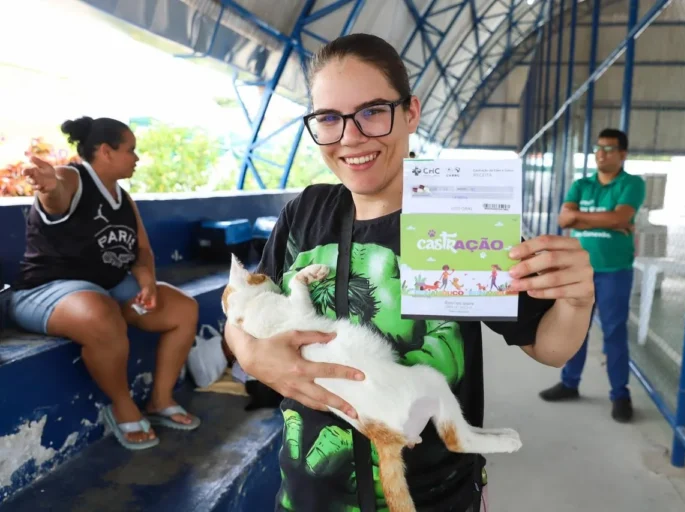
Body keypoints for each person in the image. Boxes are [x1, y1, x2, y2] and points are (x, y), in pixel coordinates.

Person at [225, 34, 594, 512]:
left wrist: (577, 300)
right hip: (307, 497)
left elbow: (548, 346)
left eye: (372, 111)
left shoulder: (458, 213)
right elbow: (243, 310)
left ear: (411, 112)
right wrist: (251, 355)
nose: (351, 136)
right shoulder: (305, 212)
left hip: (436, 499)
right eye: (329, 118)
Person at [9, 116, 201, 450]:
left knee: (183, 309)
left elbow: (142, 251)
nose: (136, 158)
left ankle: (160, 400)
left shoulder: (122, 199)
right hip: (46, 291)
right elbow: (57, 195)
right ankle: (123, 405)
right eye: (131, 150)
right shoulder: (72, 177)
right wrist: (49, 187)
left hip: (107, 288)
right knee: (101, 313)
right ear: (105, 151)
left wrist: (148, 283)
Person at [539, 128, 646, 423]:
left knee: (614, 332)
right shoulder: (582, 185)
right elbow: (564, 219)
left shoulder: (631, 184)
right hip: (579, 271)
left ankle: (620, 394)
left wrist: (583, 219)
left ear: (622, 154)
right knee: (576, 328)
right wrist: (608, 221)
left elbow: (621, 217)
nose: (601, 154)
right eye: (598, 148)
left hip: (614, 272)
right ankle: (570, 383)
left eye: (609, 149)